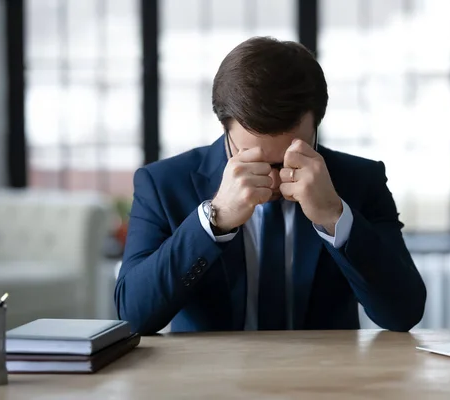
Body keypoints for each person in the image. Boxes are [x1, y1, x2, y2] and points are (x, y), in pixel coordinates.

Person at [114, 36, 426, 335]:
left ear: (316, 125)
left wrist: (334, 216)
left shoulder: (361, 180)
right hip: (210, 383)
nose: (275, 178)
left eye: (290, 157)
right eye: (252, 158)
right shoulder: (163, 184)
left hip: (325, 380)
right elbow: (134, 316)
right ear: (225, 127)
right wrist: (215, 220)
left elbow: (403, 313)